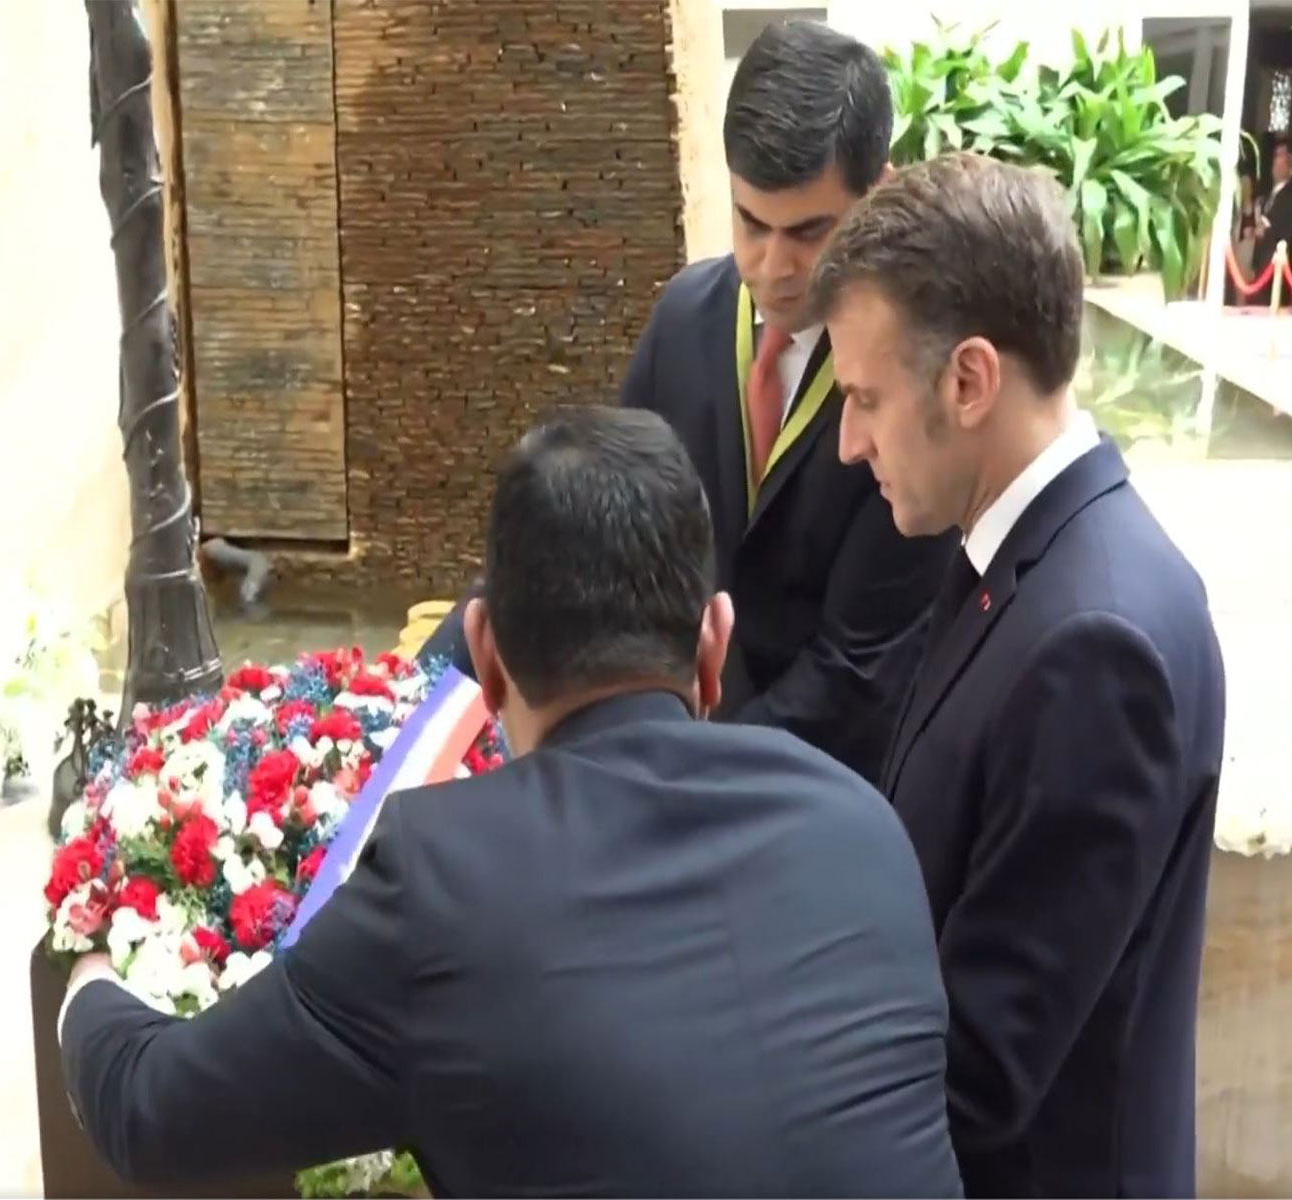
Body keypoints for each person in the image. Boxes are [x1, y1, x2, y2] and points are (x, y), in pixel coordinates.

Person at [59, 405, 963, 1197]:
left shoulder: (443, 882)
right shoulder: (864, 828)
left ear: (484, 657)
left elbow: (147, 1108)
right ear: (713, 644)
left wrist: (90, 968)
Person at [806, 152, 1227, 1197]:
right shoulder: (1033, 558)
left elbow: (984, 1068)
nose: (849, 444)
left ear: (969, 380)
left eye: (863, 399)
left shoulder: (1096, 645)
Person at [418, 21, 952, 785]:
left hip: (814, 785)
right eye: (750, 222)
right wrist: (418, 695)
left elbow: (859, 673)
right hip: (662, 748)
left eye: (810, 232)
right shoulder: (688, 318)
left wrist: (681, 777)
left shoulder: (911, 380)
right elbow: (595, 533)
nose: (773, 266)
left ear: (881, 192)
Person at [1251, 141, 1292, 306]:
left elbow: (1289, 229)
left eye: (1281, 157)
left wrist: (1267, 231)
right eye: (1275, 157)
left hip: (1278, 270)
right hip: (1261, 267)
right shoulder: (1268, 196)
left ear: (1291, 168)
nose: (1276, 162)